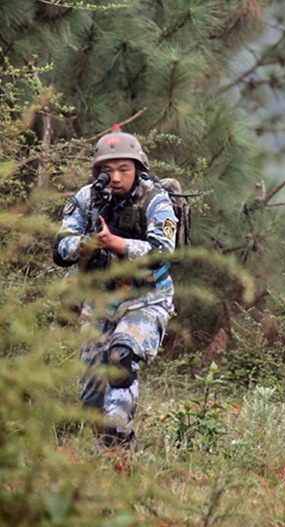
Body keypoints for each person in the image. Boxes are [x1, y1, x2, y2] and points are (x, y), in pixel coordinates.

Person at [54, 125, 177, 449]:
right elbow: (60, 250)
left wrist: (118, 243)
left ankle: (117, 443)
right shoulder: (86, 198)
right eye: (108, 170)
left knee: (121, 357)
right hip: (99, 299)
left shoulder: (155, 200)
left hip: (145, 298)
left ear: (138, 167)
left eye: (124, 168)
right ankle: (108, 441)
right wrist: (85, 244)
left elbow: (162, 252)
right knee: (93, 393)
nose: (117, 177)